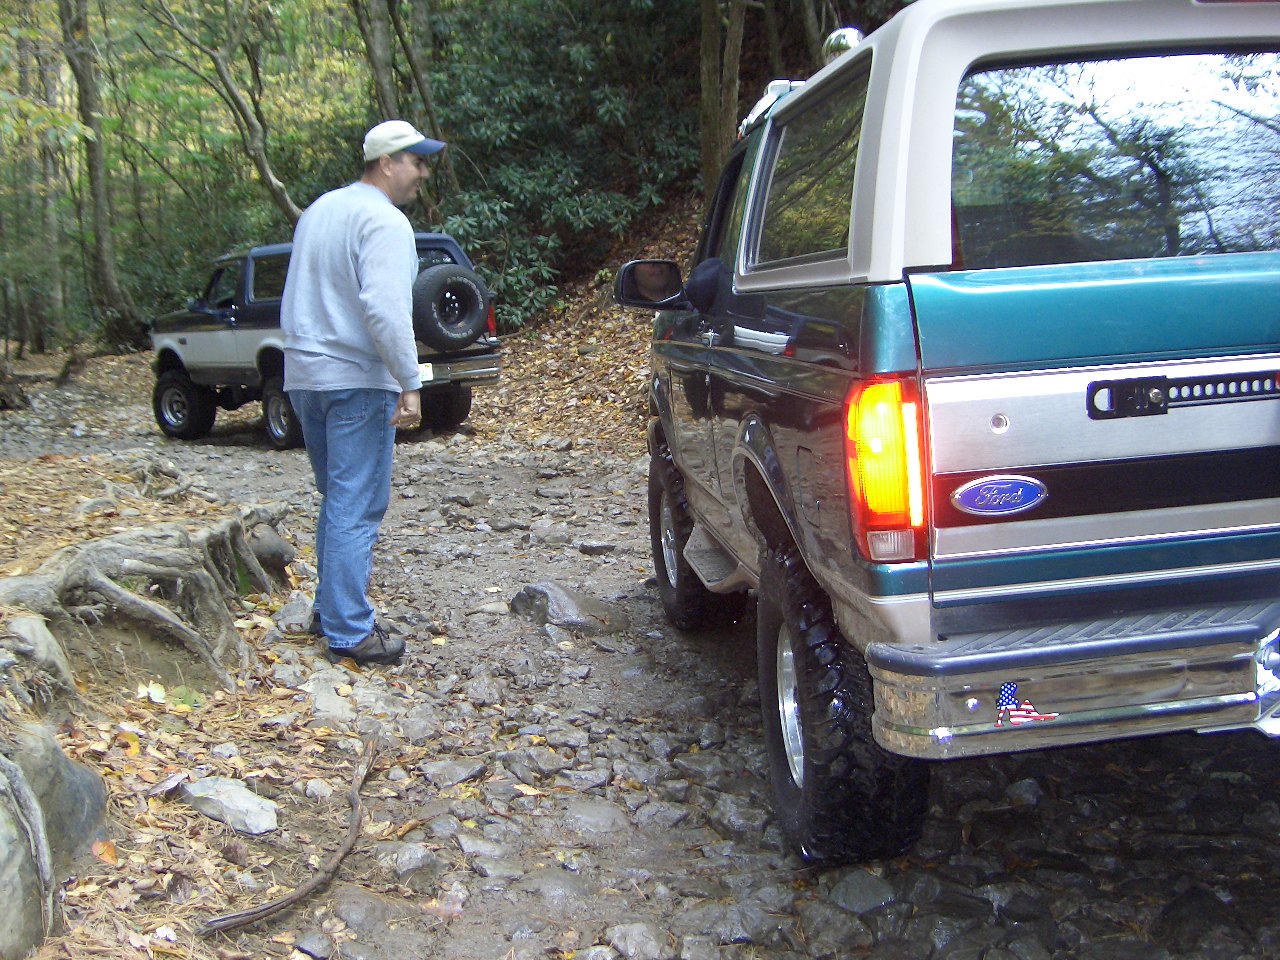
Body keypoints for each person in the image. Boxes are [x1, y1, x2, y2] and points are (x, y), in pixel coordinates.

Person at [281, 119, 445, 665]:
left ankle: (329, 611)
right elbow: (384, 308)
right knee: (356, 504)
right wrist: (409, 380)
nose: (423, 173)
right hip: (355, 378)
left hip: (305, 376)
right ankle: (350, 631)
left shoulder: (319, 210)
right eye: (417, 161)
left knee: (338, 498)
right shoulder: (385, 221)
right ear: (387, 163)